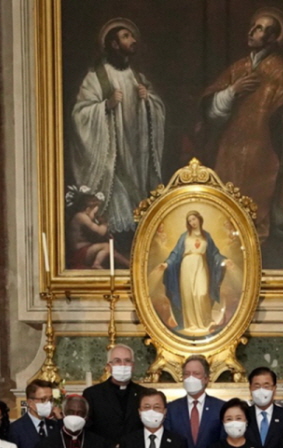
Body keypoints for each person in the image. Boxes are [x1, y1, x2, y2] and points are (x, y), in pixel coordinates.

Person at [198, 9, 283, 251]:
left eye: (260, 28)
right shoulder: (238, 68)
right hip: (229, 148)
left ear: (272, 38)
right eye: (254, 25)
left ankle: (250, 254)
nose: (252, 32)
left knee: (256, 209)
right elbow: (210, 111)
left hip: (262, 153)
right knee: (223, 206)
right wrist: (231, 91)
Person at [70, 20, 165, 242]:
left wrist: (148, 101)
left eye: (132, 37)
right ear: (113, 44)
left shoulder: (138, 78)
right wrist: (105, 106)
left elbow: (157, 110)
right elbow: (79, 114)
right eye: (126, 37)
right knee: (119, 221)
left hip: (135, 158)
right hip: (113, 159)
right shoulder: (96, 78)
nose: (132, 41)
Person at [160, 212, 228, 336]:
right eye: (190, 220)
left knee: (201, 293)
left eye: (194, 219)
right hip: (186, 266)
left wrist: (224, 260)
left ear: (199, 219)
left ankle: (205, 322)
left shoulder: (206, 236)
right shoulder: (184, 236)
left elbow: (214, 253)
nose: (192, 222)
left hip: (201, 264)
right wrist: (167, 263)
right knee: (188, 295)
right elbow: (175, 253)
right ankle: (190, 324)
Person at [83, 344, 144, 445]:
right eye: (117, 361)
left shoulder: (144, 394)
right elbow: (88, 431)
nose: (123, 365)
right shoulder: (93, 394)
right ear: (108, 367)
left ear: (133, 366)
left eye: (127, 361)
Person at [65, 187, 130, 269]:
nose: (96, 216)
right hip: (79, 254)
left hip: (84, 251)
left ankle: (130, 265)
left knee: (112, 252)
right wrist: (104, 224)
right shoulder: (81, 217)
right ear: (88, 209)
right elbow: (100, 232)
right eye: (95, 213)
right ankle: (96, 264)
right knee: (107, 246)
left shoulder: (81, 216)